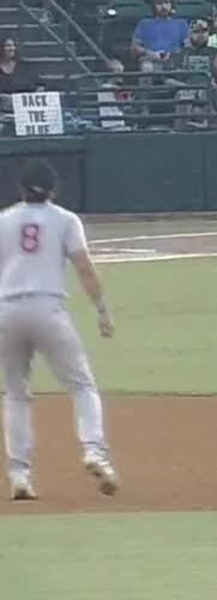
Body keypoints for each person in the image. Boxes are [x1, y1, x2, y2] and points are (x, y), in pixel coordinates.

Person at [0, 159, 119, 503]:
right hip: (48, 308)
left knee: (16, 393)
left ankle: (19, 474)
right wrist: (102, 311)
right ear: (53, 189)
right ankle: (94, 451)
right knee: (82, 385)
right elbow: (84, 267)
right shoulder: (66, 220)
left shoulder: (4, 220)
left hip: (6, 310)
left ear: (20, 188)